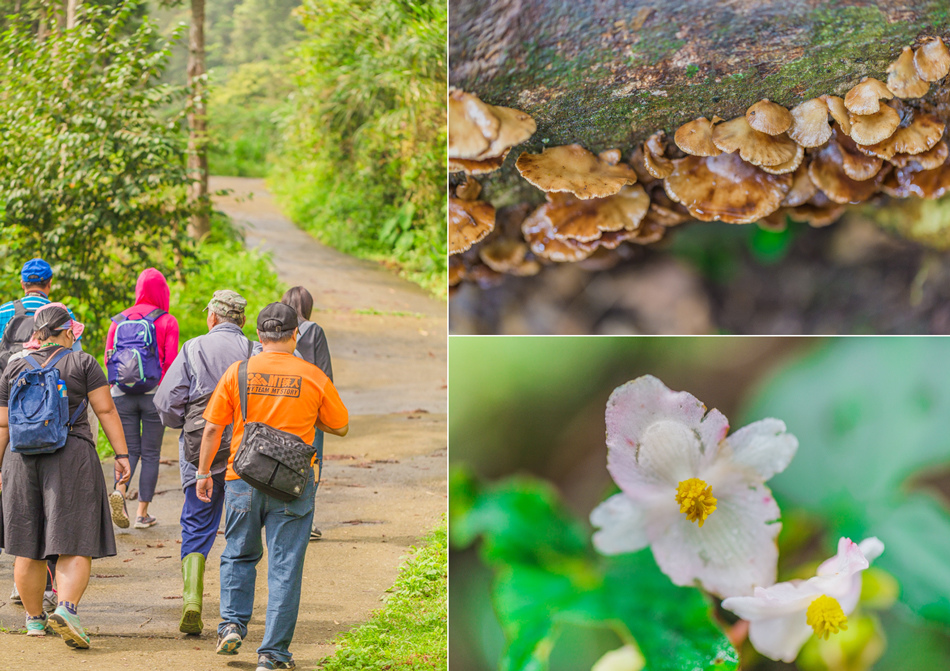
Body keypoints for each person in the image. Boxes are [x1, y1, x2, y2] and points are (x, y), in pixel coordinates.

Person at [196, 303, 348, 671]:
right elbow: (340, 425)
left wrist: (203, 473)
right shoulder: (312, 376)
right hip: (292, 486)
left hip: (242, 479)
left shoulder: (239, 371)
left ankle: (232, 624)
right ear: (296, 334)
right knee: (285, 566)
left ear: (259, 337)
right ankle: (273, 655)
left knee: (237, 553)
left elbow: (214, 428)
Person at [0, 305, 132, 648]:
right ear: (68, 332)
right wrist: (121, 456)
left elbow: (2, 424)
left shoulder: (13, 366)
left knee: (27, 544)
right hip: (70, 455)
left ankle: (33, 620)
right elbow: (106, 409)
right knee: (73, 539)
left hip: (20, 457)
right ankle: (67, 609)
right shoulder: (82, 362)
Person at [153, 289, 258, 635]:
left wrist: (182, 423)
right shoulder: (252, 350)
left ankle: (192, 601)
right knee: (240, 528)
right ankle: (233, 610)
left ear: (212, 317)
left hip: (200, 447)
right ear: (242, 320)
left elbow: (167, 401)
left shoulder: (194, 348)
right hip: (244, 450)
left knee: (197, 521)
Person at [104, 268, 179, 529]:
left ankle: (120, 491)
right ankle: (142, 514)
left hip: (121, 394)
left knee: (127, 451)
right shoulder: (167, 321)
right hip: (153, 395)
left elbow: (108, 358)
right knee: (150, 454)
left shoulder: (118, 320)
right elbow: (169, 363)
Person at [280, 286, 332, 542]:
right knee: (313, 462)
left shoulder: (276, 330)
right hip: (310, 409)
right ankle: (305, 519)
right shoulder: (314, 331)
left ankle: (281, 516)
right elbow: (325, 377)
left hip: (280, 406)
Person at [0, 259, 82, 369]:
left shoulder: (3, 311)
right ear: (49, 283)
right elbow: (77, 356)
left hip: (9, 381)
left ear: (22, 284)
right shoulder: (63, 313)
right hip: (53, 383)